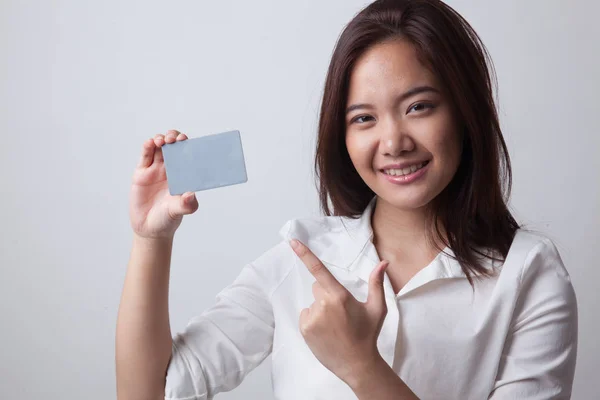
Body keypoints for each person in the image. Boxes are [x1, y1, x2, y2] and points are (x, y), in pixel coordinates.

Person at [115, 0, 578, 399]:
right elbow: (151, 392)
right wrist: (150, 240)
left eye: (418, 106)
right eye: (363, 118)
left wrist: (360, 365)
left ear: (465, 110)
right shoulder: (299, 258)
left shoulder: (529, 274)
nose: (393, 141)